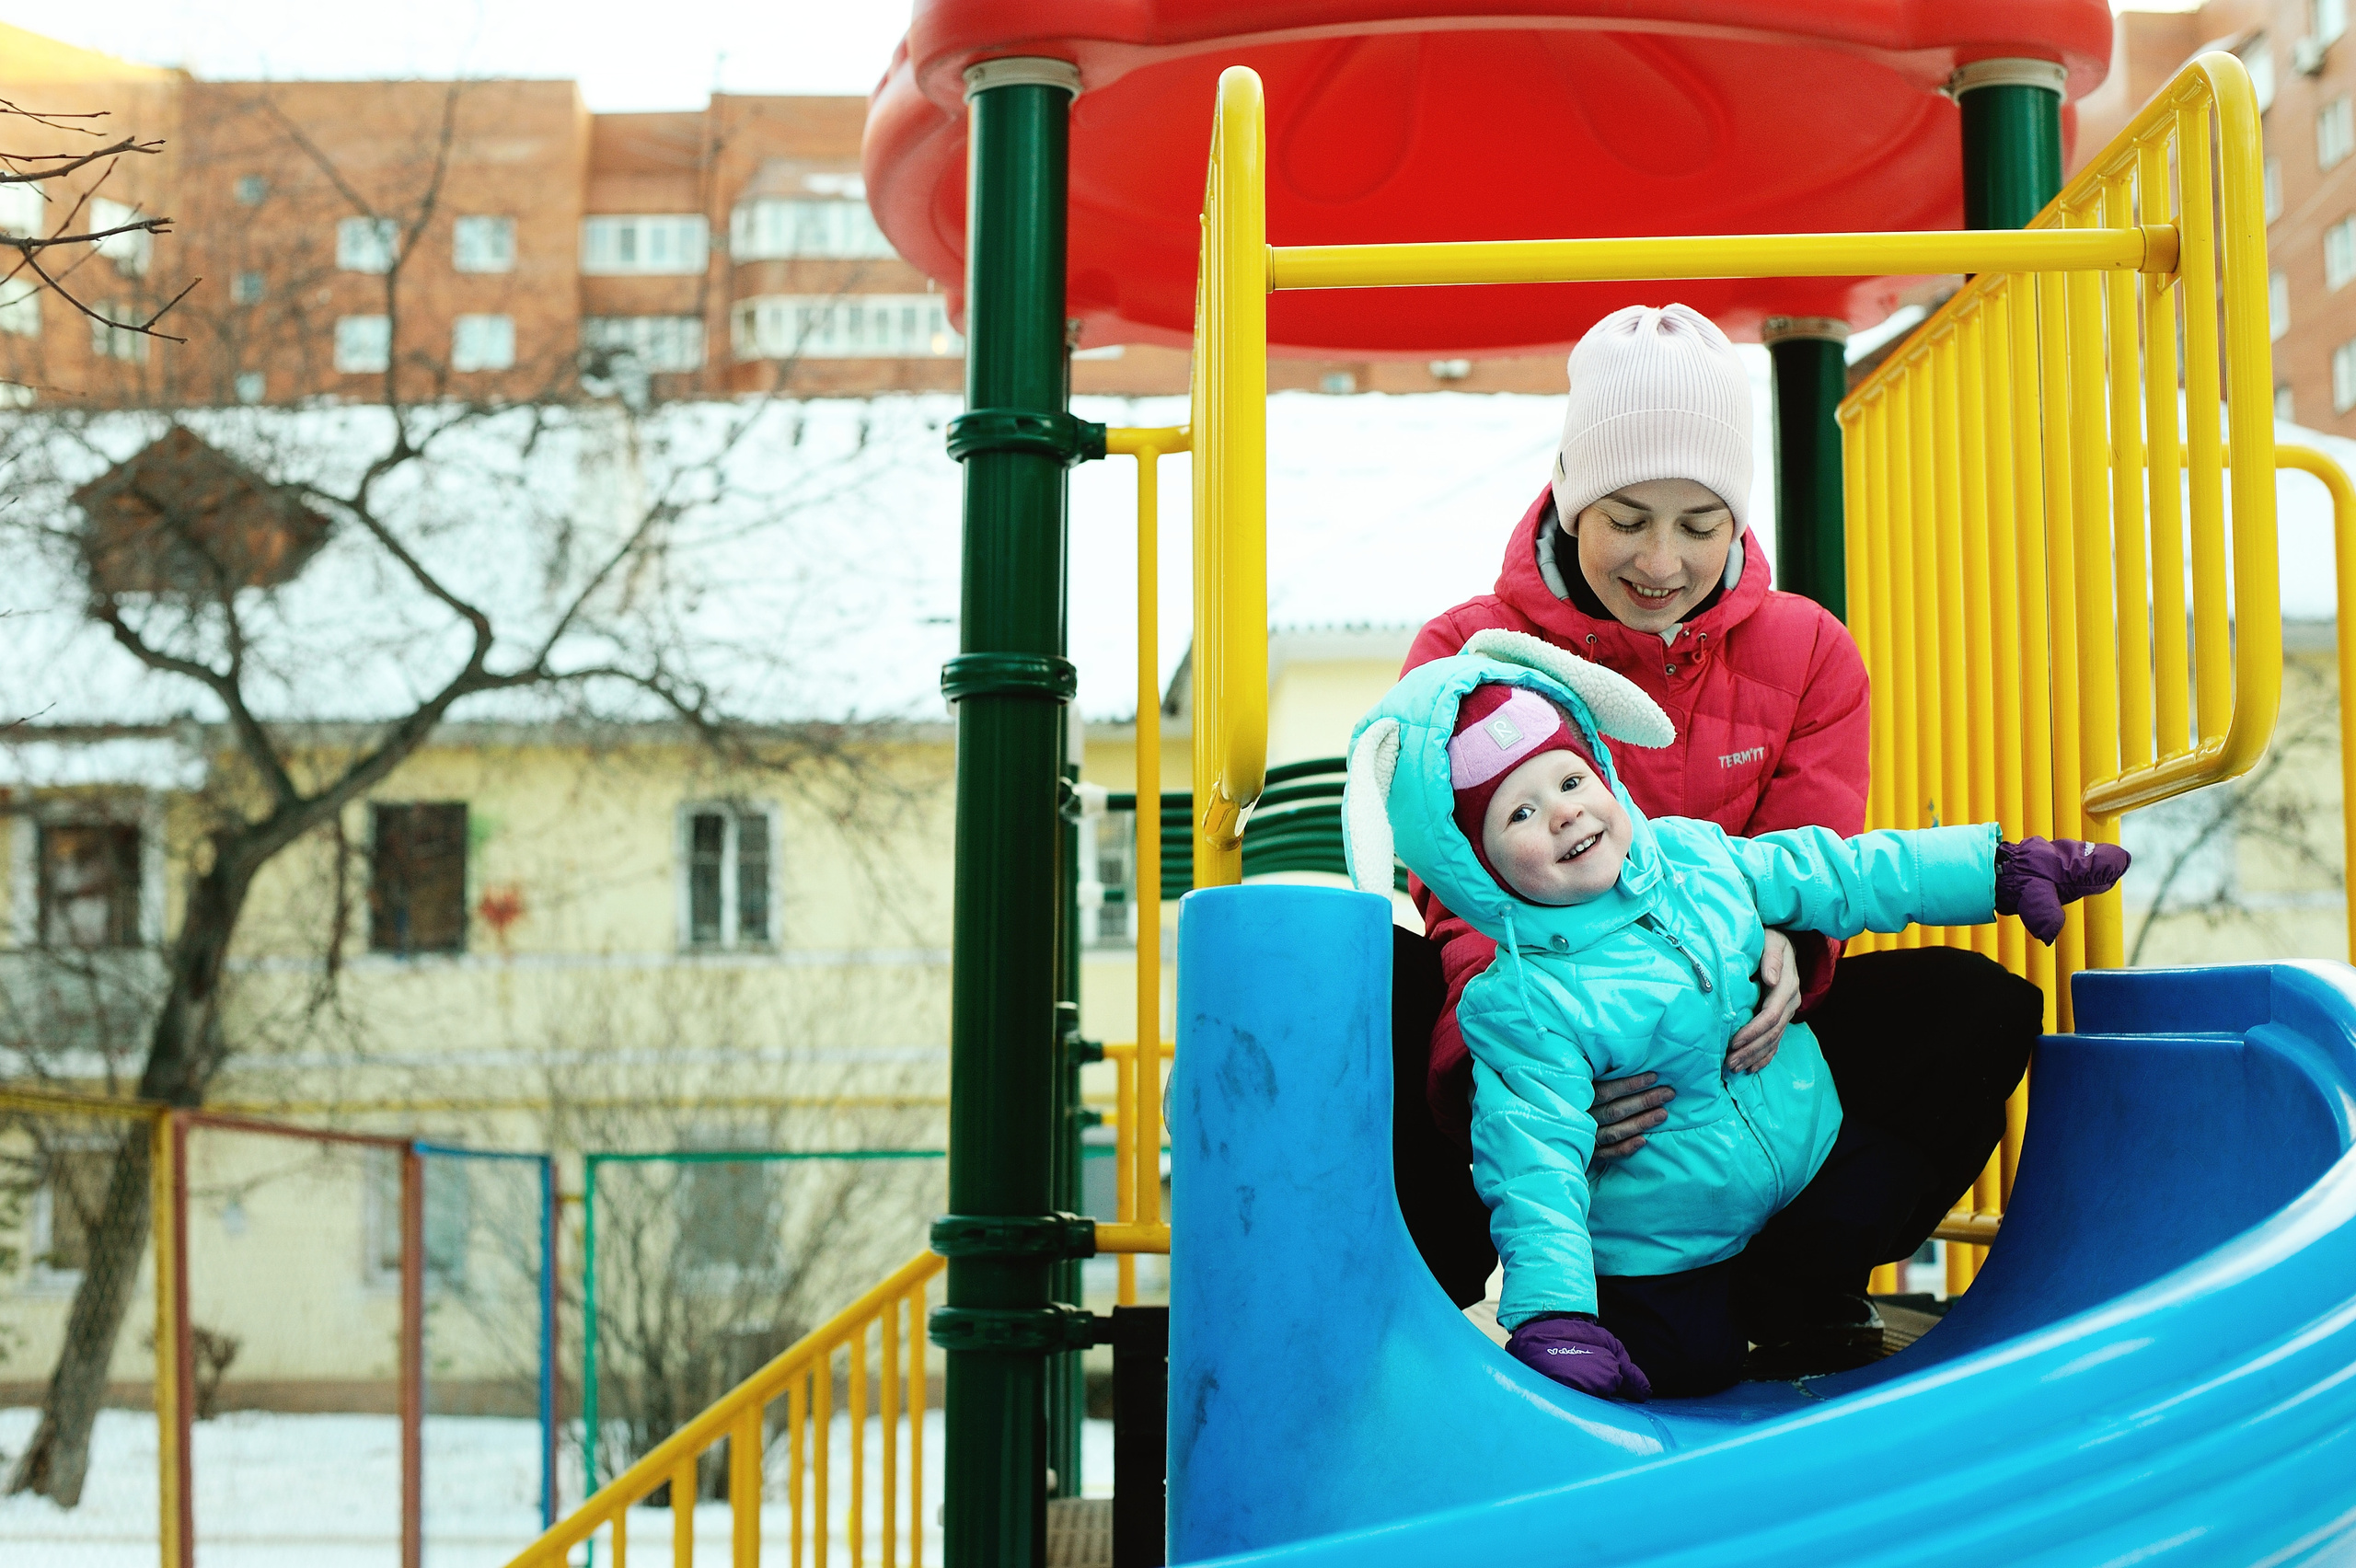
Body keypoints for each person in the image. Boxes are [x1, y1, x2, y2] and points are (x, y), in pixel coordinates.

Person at [1391, 303, 2050, 1364]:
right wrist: (1529, 1065)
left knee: (1972, 1005)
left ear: (1736, 521)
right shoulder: (1472, 650)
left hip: (1735, 1038)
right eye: (1626, 517)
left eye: (1699, 524)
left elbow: (1813, 861)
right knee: (1383, 982)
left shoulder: (1806, 653)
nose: (1661, 561)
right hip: (1553, 1022)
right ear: (1569, 496)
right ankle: (1423, 1319)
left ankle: (1792, 1283)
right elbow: (1454, 886)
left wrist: (1796, 954)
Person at [1346, 637, 2127, 1398]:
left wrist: (1998, 868)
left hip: (1800, 1156)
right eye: (1519, 813)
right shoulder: (1521, 998)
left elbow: (1839, 871)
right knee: (1687, 1367)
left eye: (1571, 781)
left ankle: (1795, 1296)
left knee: (1894, 1148)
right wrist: (1554, 1315)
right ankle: (1618, 1337)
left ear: (1605, 775)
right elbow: (1534, 1169)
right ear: (1474, 866)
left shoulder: (1694, 859)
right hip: (1662, 1243)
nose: (1562, 814)